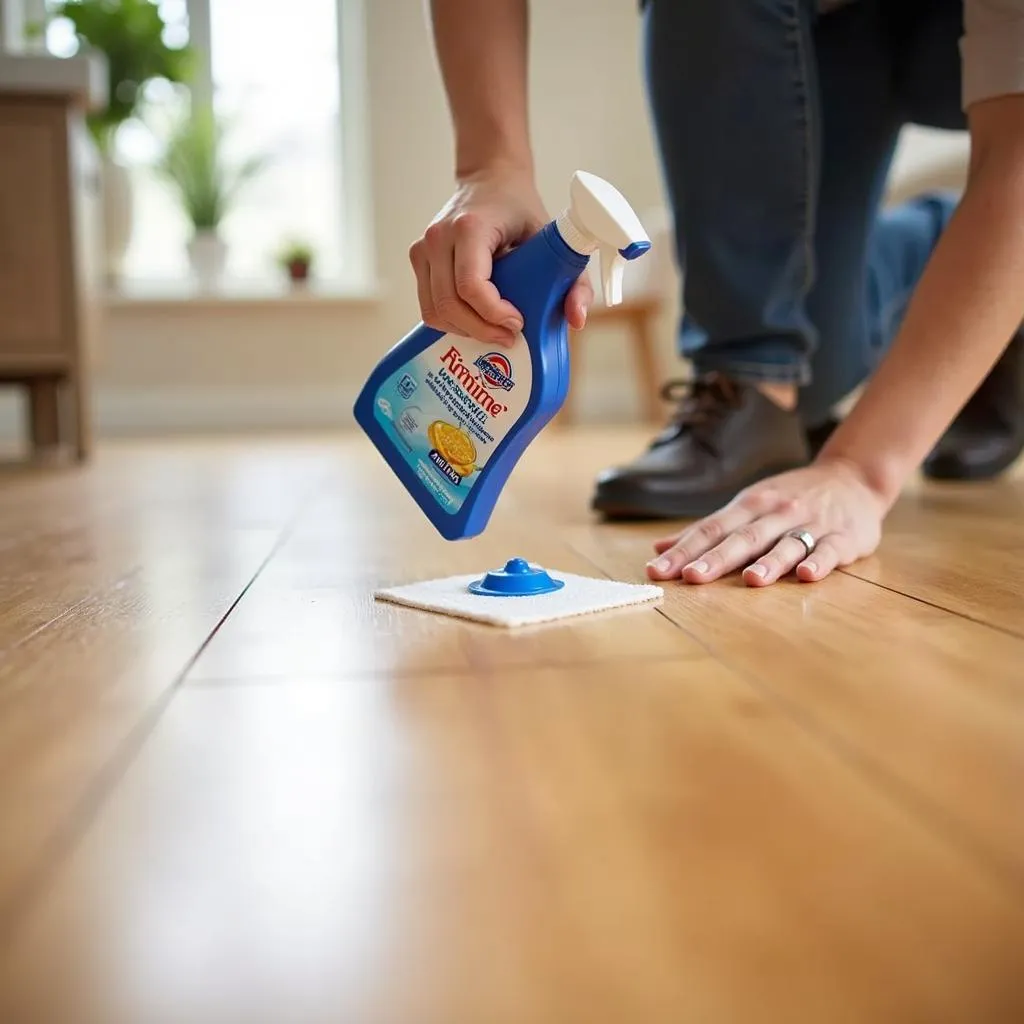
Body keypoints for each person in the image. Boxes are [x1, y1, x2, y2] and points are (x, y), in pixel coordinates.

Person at [410, 0, 1024, 587]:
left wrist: (860, 470)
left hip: (957, 39)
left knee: (843, 409)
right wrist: (489, 170)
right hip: (825, 26)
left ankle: (995, 290)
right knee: (809, 378)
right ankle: (765, 382)